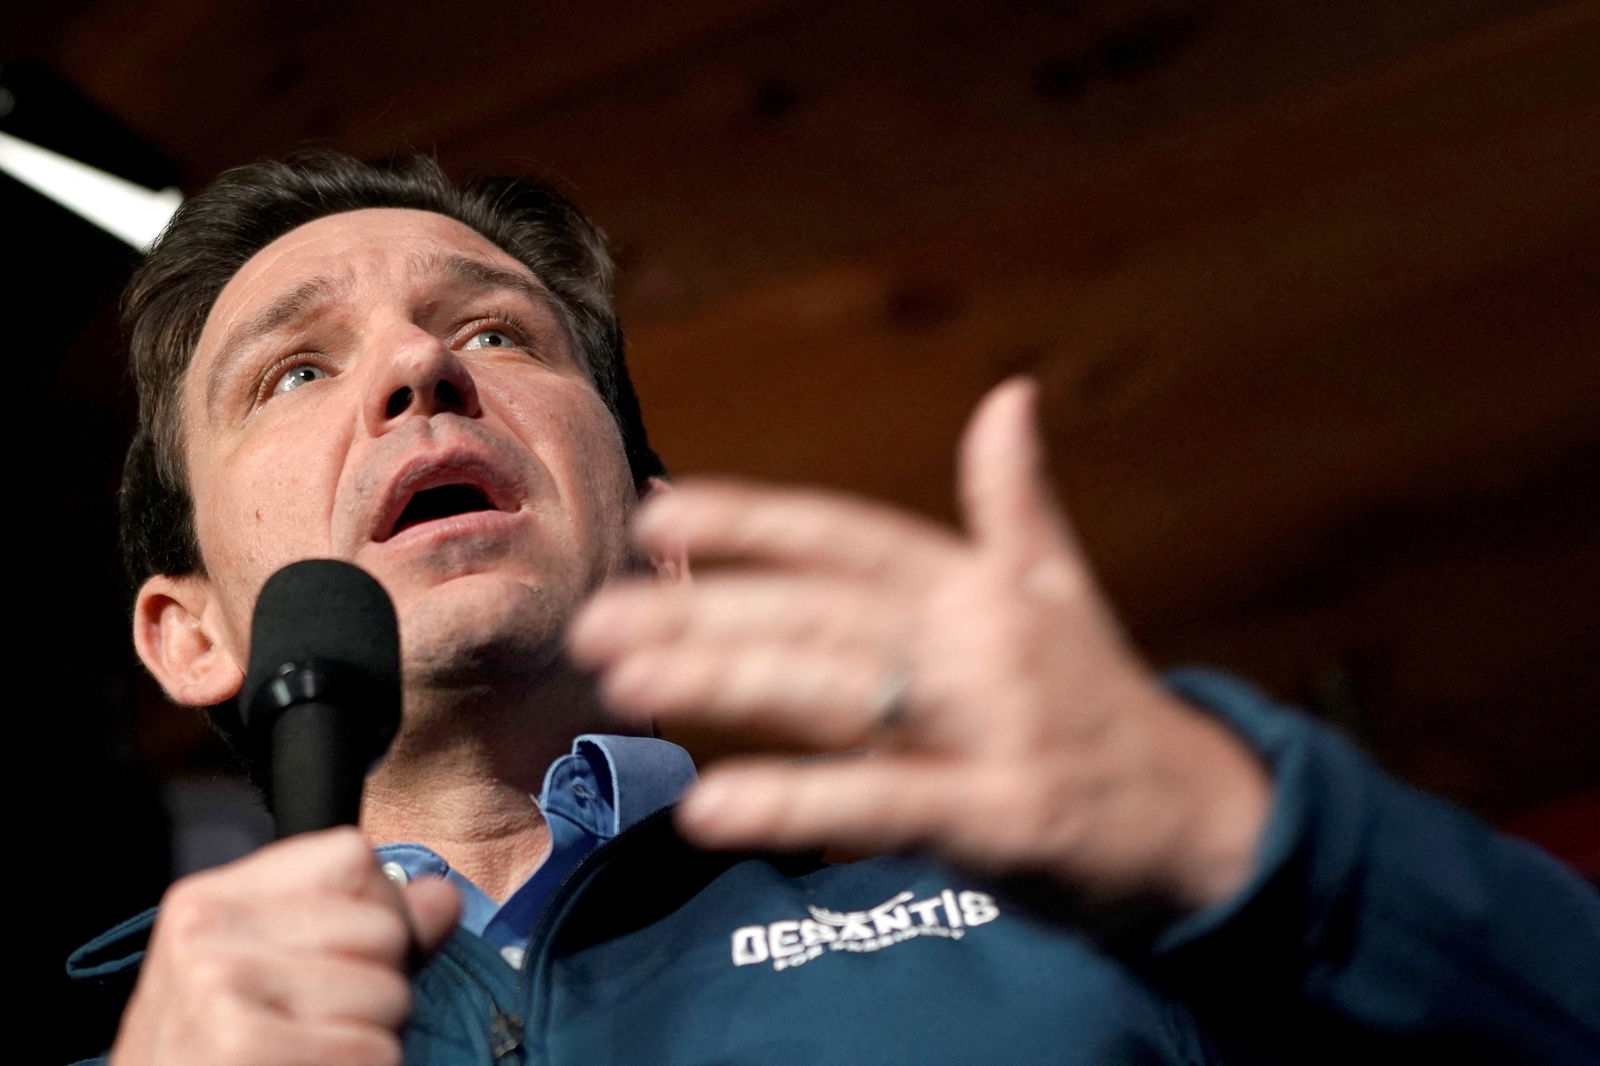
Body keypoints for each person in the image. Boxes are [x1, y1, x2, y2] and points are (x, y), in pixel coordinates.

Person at [69, 152, 1598, 1065]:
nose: (420, 370)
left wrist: (1253, 841)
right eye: (295, 369)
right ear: (188, 627)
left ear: (657, 547)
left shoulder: (1065, 916)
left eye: (493, 329)